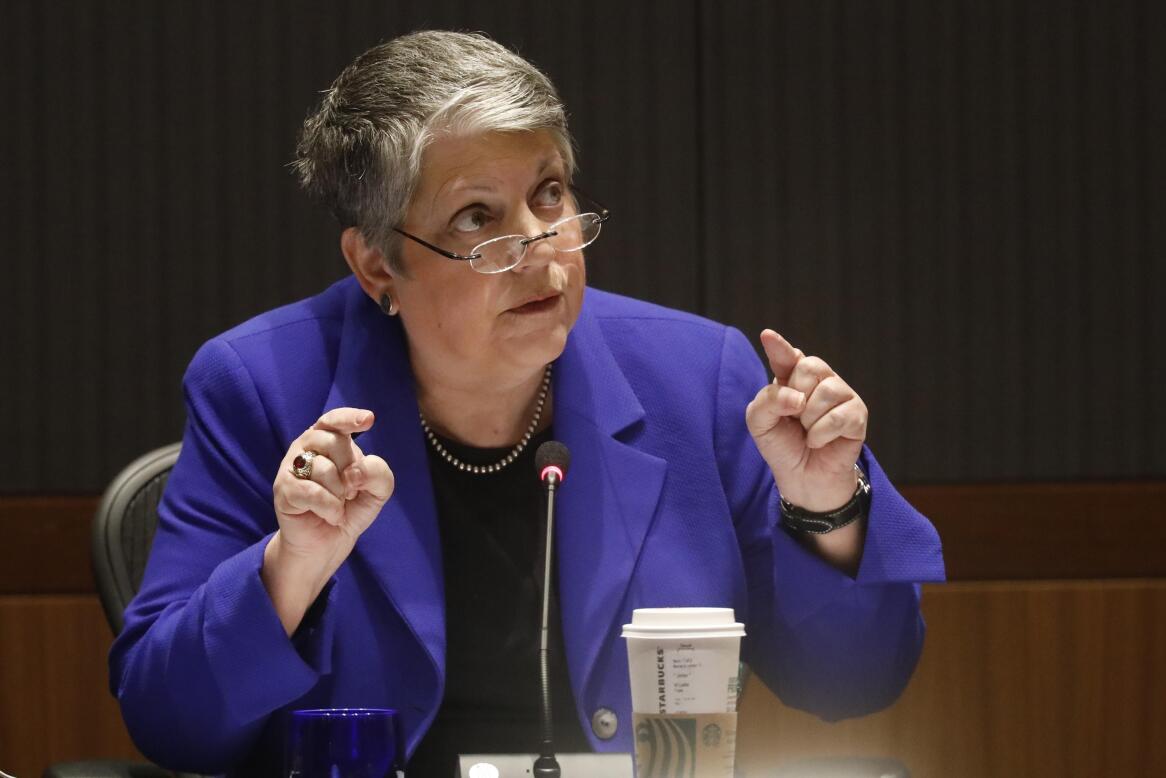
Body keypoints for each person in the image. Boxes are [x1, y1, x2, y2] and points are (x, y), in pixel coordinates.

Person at [109, 30, 944, 777]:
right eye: (479, 216)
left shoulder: (701, 378)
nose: (541, 247)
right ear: (375, 268)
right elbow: (168, 721)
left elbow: (857, 680)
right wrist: (290, 568)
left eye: (549, 193)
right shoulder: (261, 386)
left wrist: (827, 509)